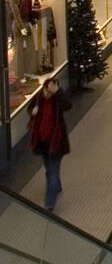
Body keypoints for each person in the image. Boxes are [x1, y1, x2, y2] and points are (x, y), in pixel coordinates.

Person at [28, 78, 71, 211]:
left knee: (52, 172)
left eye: (53, 87)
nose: (50, 90)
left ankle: (49, 204)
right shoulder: (39, 98)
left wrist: (57, 92)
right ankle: (56, 186)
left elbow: (68, 105)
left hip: (56, 142)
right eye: (48, 87)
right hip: (42, 141)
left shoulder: (58, 99)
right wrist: (32, 112)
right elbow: (30, 108)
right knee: (49, 170)